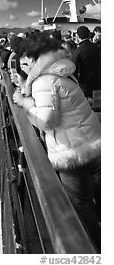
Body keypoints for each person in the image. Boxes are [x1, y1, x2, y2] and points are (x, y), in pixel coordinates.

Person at [12, 34, 101, 251]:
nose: (25, 63)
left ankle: (96, 249)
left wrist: (24, 103)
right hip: (91, 141)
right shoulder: (62, 72)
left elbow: (47, 121)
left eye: (27, 59)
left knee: (80, 205)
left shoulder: (44, 80)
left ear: (35, 59)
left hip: (72, 151)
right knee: (96, 194)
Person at [72, 26, 101, 98]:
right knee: (98, 105)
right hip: (98, 82)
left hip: (84, 85)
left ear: (77, 36)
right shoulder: (97, 48)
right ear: (88, 34)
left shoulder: (78, 51)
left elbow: (74, 69)